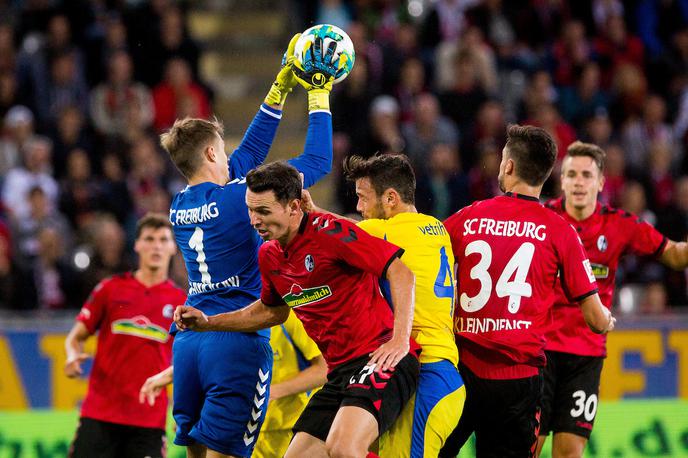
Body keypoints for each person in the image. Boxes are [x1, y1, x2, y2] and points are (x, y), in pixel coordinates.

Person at [158, 34, 338, 458]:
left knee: (196, 451)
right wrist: (318, 93)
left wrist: (280, 86)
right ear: (209, 153)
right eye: (223, 152)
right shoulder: (239, 197)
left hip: (188, 344)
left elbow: (248, 155)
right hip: (236, 339)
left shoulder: (180, 204)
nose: (231, 158)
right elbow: (316, 163)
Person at [174, 161, 421, 458]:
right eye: (250, 210)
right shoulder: (269, 255)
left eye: (263, 211)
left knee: (343, 449)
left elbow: (401, 272)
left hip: (380, 358)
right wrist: (208, 322)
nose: (254, 220)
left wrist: (399, 339)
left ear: (293, 207)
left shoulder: (331, 232)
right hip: (340, 373)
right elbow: (271, 312)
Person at [440, 125, 615, 458]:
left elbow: (423, 250)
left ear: (508, 167)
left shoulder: (469, 216)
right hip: (517, 382)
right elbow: (594, 318)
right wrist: (607, 320)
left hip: (458, 370)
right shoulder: (559, 230)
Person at [304, 153, 465, 457]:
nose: (359, 208)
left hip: (428, 374)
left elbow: (337, 232)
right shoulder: (435, 228)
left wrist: (310, 210)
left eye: (363, 198)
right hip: (434, 370)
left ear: (391, 198)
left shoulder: (390, 231)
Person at [536, 141, 688, 458]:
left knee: (569, 453)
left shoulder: (618, 224)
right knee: (528, 446)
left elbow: (673, 255)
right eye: (572, 174)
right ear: (561, 180)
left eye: (587, 175)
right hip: (539, 351)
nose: (579, 182)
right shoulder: (541, 218)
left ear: (601, 182)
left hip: (585, 356)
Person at [64, 213, 185, 458]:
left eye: (163, 240)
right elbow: (76, 336)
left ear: (173, 247)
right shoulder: (110, 289)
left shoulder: (182, 303)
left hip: (149, 420)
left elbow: (187, 362)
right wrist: (71, 355)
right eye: (149, 239)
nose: (156, 246)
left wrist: (186, 410)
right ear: (137, 244)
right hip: (100, 413)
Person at [139, 313, 328, 458]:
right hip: (245, 433)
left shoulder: (287, 316)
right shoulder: (232, 316)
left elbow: (324, 369)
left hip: (290, 431)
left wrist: (270, 392)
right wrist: (171, 373)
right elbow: (216, 354)